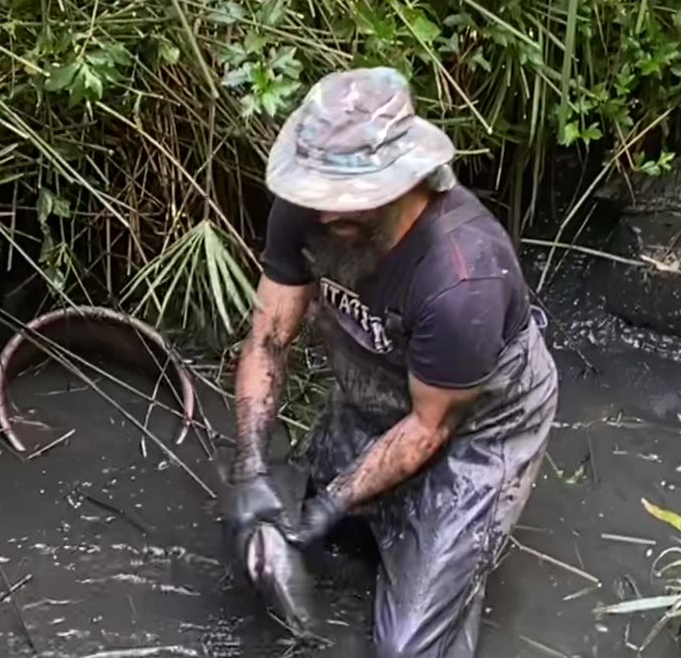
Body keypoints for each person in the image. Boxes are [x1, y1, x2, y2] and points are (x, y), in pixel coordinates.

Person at [224, 66, 559, 658]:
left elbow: (430, 428)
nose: (327, 216)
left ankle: (460, 557)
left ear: (407, 180)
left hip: (475, 422)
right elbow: (269, 339)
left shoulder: (462, 275)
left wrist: (335, 498)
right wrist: (250, 468)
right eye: (319, 196)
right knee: (317, 549)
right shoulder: (304, 211)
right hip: (376, 386)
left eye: (347, 201)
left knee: (408, 647)